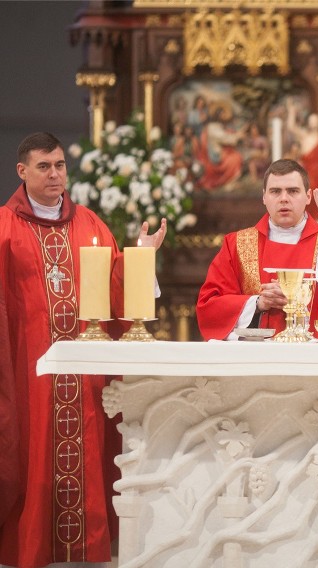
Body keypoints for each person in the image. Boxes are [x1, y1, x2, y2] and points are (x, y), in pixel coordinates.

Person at [0, 132, 167, 568]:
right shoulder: (3, 227)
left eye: (59, 165)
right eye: (44, 166)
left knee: (89, 451)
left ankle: (84, 552)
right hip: (28, 371)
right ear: (22, 172)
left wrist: (140, 260)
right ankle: (30, 548)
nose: (55, 174)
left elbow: (115, 286)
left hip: (83, 374)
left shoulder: (90, 224)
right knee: (29, 451)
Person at [196, 159, 318, 340]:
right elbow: (209, 306)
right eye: (275, 191)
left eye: (293, 191)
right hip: (254, 358)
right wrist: (257, 303)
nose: (284, 198)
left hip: (312, 358)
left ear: (308, 196)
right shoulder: (237, 244)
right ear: (264, 196)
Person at [286, 102, 318, 220]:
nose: (314, 124)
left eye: (316, 122)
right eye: (312, 121)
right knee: (310, 197)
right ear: (308, 123)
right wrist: (292, 112)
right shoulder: (305, 136)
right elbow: (291, 127)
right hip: (310, 175)